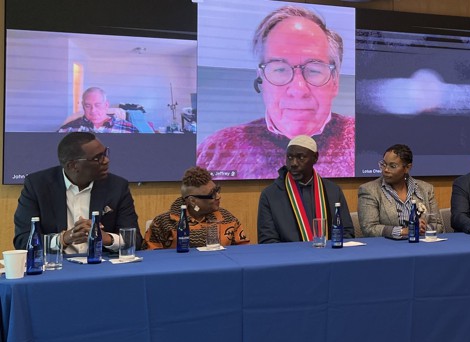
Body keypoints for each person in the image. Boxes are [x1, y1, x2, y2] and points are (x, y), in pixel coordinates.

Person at [196, 4, 354, 180]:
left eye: (314, 70)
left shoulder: (361, 141)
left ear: (335, 82)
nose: (298, 89)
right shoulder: (216, 150)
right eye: (280, 69)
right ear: (262, 79)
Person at [13, 132, 143, 252]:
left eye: (105, 153)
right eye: (98, 158)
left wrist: (106, 238)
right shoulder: (37, 186)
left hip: (102, 268)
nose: (106, 160)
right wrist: (64, 239)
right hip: (57, 268)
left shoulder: (117, 186)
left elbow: (135, 240)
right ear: (73, 166)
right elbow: (23, 240)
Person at [258, 135, 354, 243]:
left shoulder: (333, 191)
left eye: (301, 157)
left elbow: (346, 233)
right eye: (290, 157)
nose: (293, 163)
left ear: (315, 157)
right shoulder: (270, 195)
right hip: (290, 258)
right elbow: (267, 240)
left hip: (330, 256)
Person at [145, 167, 250, 249]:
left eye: (217, 190)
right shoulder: (162, 224)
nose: (218, 196)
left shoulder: (227, 219)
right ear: (192, 201)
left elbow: (243, 252)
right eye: (212, 194)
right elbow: (152, 259)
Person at [357, 144, 443, 239]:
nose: (386, 170)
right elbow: (369, 228)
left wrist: (424, 228)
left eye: (392, 166)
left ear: (407, 168)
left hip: (422, 245)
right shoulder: (370, 190)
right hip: (388, 248)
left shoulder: (426, 189)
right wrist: (404, 231)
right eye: (383, 164)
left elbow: (438, 225)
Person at [57, 87, 140, 133]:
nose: (93, 110)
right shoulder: (68, 129)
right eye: (88, 105)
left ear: (106, 105)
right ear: (83, 106)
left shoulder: (128, 130)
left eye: (97, 105)